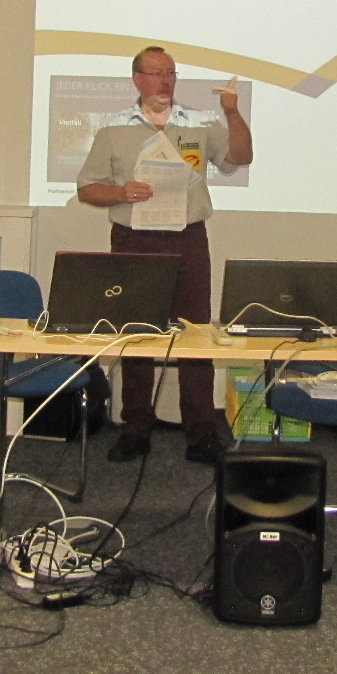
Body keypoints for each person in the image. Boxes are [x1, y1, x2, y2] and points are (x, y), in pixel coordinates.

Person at [76, 47, 252, 465]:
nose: (165, 81)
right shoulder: (113, 129)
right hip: (133, 241)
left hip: (187, 239)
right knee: (135, 335)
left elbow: (240, 158)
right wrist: (121, 192)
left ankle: (201, 433)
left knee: (194, 336)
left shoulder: (200, 123)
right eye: (156, 73)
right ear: (137, 79)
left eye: (170, 73)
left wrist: (231, 113)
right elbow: (87, 189)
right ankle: (136, 429)